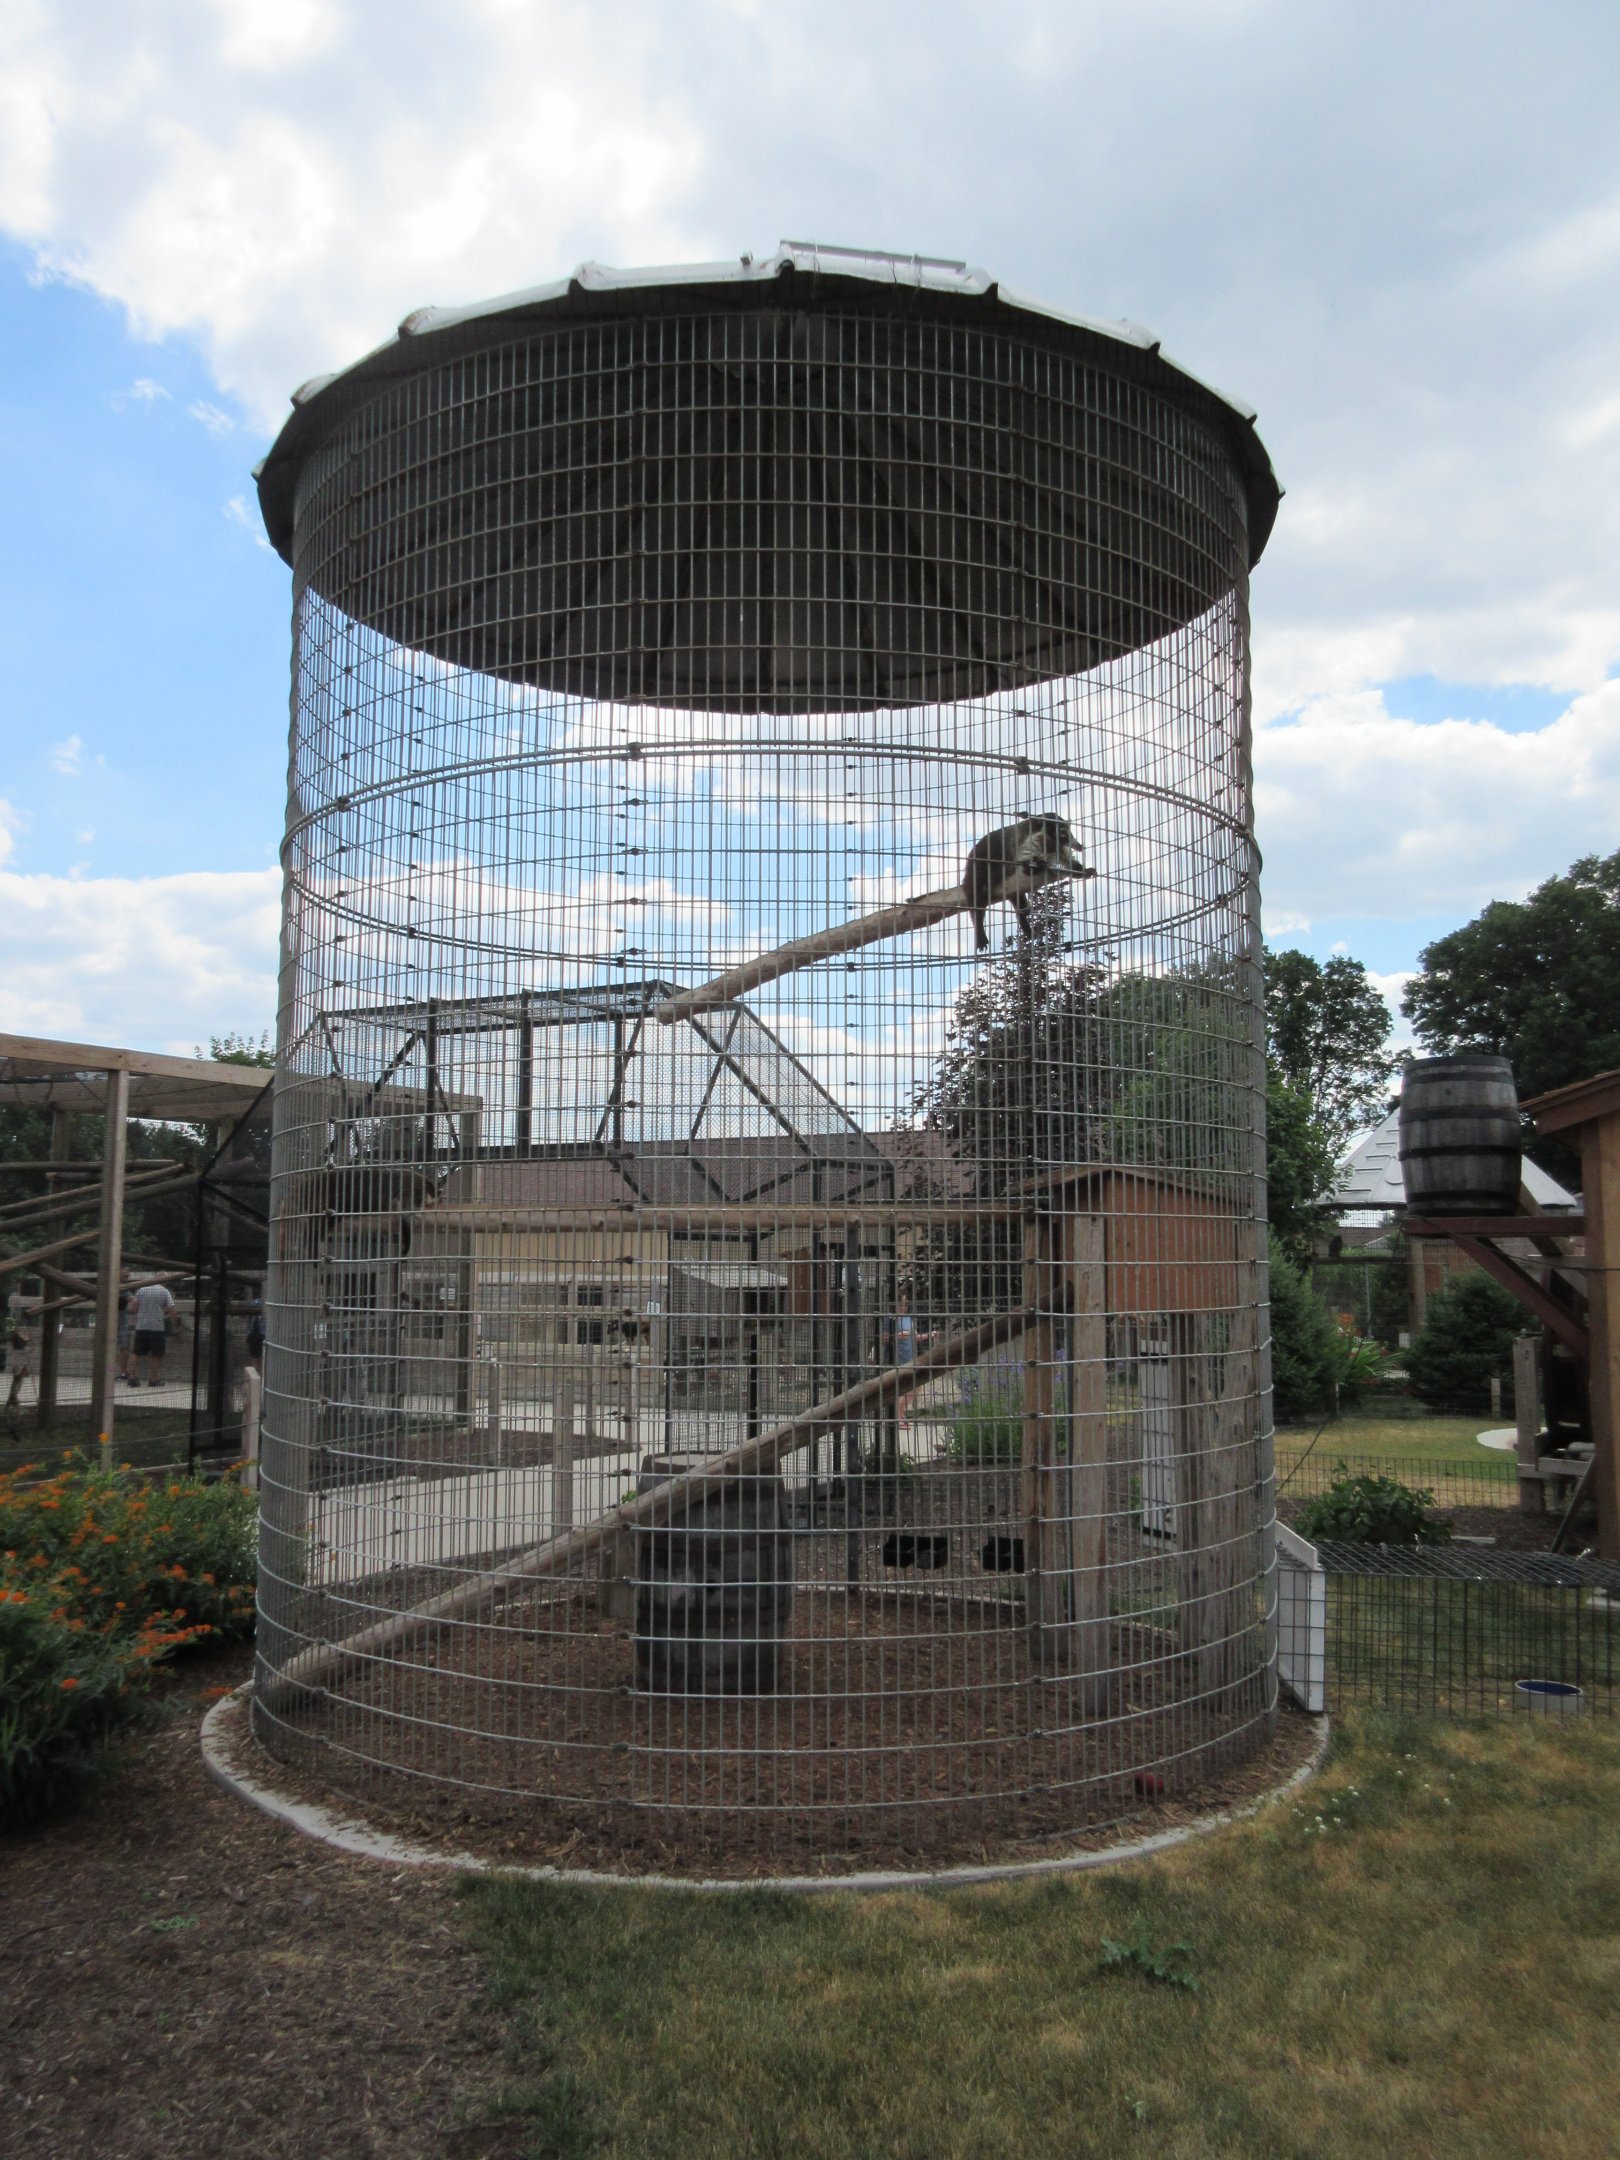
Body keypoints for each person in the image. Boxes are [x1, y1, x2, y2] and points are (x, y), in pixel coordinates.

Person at [131, 1278, 178, 1387]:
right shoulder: (165, 1292)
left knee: (136, 1352)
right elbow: (171, 1309)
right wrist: (175, 1325)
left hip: (141, 1326)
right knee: (156, 1353)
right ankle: (153, 1379)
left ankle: (132, 1377)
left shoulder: (142, 1289)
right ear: (164, 1280)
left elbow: (134, 1307)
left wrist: (138, 1317)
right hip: (157, 1327)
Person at [5, 1310, 32, 1411]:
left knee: (19, 1379)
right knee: (17, 1379)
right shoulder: (15, 1335)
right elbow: (26, 1340)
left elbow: (27, 1339)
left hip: (20, 1358)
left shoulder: (18, 1334)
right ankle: (13, 1399)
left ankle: (12, 1399)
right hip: (18, 1358)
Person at [116, 1284, 136, 1383]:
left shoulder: (124, 1289)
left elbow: (132, 1300)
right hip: (111, 1322)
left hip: (122, 1323)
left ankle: (123, 1372)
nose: (127, 1277)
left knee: (124, 1347)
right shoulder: (112, 1285)